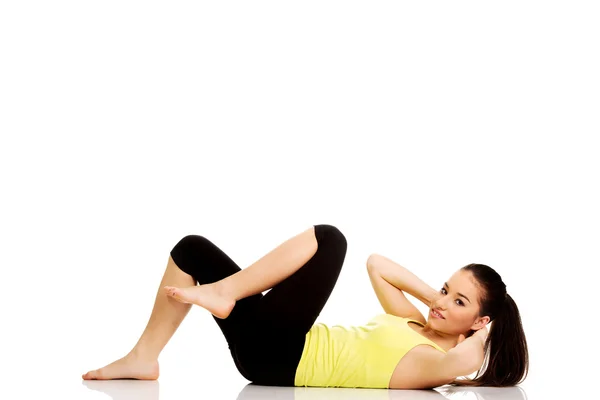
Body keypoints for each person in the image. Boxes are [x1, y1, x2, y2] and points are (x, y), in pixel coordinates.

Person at [81, 224, 529, 389]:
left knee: (330, 240)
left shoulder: (434, 365)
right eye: (446, 288)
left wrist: (487, 331)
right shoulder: (412, 319)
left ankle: (225, 293)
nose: (442, 300)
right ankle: (144, 358)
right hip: (277, 345)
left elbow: (462, 358)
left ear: (482, 320)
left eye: (460, 300)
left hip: (283, 360)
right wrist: (435, 299)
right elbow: (377, 266)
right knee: (191, 250)